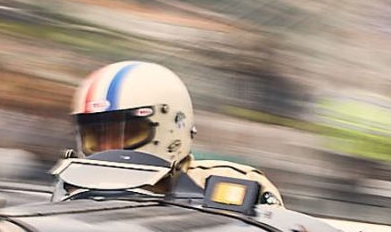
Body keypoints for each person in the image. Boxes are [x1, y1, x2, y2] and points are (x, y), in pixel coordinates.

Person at [71, 61, 283, 204]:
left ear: (170, 126)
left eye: (125, 133)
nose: (108, 148)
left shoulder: (230, 184)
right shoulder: (71, 191)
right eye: (97, 137)